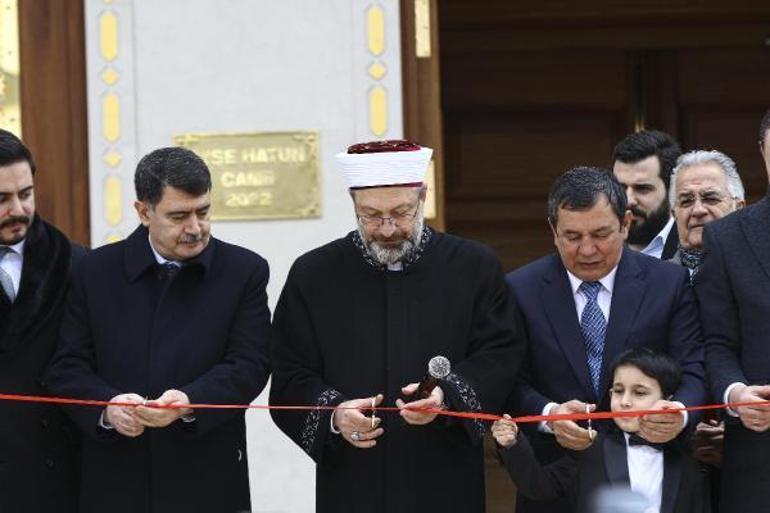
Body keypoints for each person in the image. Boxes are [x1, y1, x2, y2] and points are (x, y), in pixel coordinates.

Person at [269, 139, 523, 513]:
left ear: (422, 197)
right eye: (371, 215)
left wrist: (446, 398)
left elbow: (501, 355)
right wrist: (336, 416)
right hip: (353, 481)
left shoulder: (473, 266)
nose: (387, 228)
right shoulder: (313, 275)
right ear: (353, 203)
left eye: (401, 212)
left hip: (445, 476)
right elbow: (290, 373)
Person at [46, 147, 271, 513]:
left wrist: (189, 402)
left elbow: (250, 363)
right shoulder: (94, 272)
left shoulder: (243, 270)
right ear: (143, 212)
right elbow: (66, 366)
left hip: (207, 474)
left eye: (203, 212)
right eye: (179, 216)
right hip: (116, 475)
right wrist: (107, 407)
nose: (195, 228)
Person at [506, 166, 705, 513]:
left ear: (626, 224)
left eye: (601, 234)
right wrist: (549, 415)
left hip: (650, 479)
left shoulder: (668, 283)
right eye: (572, 236)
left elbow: (695, 370)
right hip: (555, 483)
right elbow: (509, 380)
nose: (587, 250)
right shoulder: (521, 289)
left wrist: (678, 413)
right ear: (553, 230)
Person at [493, 348, 705, 513]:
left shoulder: (686, 464)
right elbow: (538, 486)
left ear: (666, 401)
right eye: (618, 391)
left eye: (639, 393)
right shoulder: (590, 451)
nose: (625, 402)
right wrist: (513, 444)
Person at [0, 129, 85, 512]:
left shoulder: (78, 266)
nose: (17, 210)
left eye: (26, 194)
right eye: (1, 199)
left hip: (51, 479)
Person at [694, 108, 770, 513]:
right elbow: (717, 342)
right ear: (762, 152)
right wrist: (736, 393)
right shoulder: (728, 237)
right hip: (760, 457)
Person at [668, 150, 745, 278]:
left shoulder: (762, 273)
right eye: (686, 201)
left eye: (711, 198)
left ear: (739, 209)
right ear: (674, 214)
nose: (698, 210)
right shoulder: (655, 284)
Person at [612, 130, 682, 259]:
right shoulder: (598, 248)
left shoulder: (695, 247)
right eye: (620, 188)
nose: (628, 200)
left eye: (642, 188)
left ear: (672, 190)